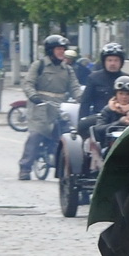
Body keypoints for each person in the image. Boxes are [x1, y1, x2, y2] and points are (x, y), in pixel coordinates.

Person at [20, 34, 80, 180]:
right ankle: (25, 168)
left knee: (68, 136)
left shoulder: (67, 69)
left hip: (60, 107)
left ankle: (66, 168)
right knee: (36, 135)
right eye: (58, 49)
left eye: (63, 49)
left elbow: (75, 87)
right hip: (41, 107)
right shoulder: (39, 65)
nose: (61, 52)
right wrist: (34, 96)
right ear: (50, 50)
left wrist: (81, 99)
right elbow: (28, 83)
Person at [87, 74, 129, 148]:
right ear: (116, 94)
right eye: (121, 93)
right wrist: (119, 122)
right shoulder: (108, 109)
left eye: (128, 94)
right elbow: (98, 129)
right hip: (110, 147)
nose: (124, 97)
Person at [79, 43, 128, 121]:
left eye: (116, 60)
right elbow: (85, 103)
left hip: (123, 120)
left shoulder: (128, 79)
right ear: (104, 61)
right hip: (98, 120)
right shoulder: (93, 78)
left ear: (121, 62)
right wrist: (82, 124)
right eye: (109, 60)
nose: (112, 63)